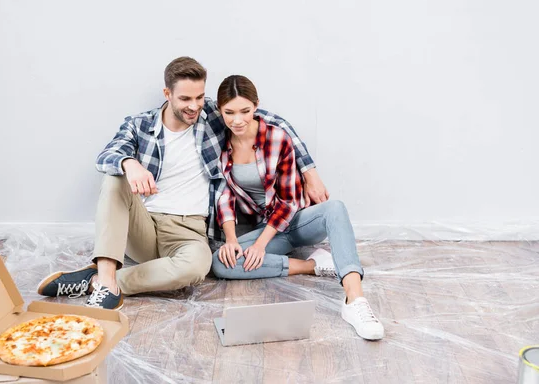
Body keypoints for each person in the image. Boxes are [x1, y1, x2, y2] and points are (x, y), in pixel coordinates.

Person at [36, 57, 328, 310]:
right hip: (145, 226)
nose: (194, 106)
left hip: (190, 231)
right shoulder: (140, 124)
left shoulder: (212, 116)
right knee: (114, 180)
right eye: (185, 99)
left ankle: (102, 281)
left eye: (199, 97)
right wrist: (130, 163)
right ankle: (108, 279)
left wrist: (310, 172)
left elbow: (271, 120)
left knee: (198, 267)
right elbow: (107, 155)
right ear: (167, 93)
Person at [210, 75, 384, 340]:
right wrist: (232, 239)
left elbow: (289, 201)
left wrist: (259, 246)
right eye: (229, 112)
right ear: (220, 111)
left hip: (294, 222)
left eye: (245, 111)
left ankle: (355, 301)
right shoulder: (221, 145)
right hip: (263, 228)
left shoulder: (277, 138)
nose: (237, 120)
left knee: (335, 208)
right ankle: (314, 265)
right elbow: (224, 197)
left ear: (256, 106)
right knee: (220, 264)